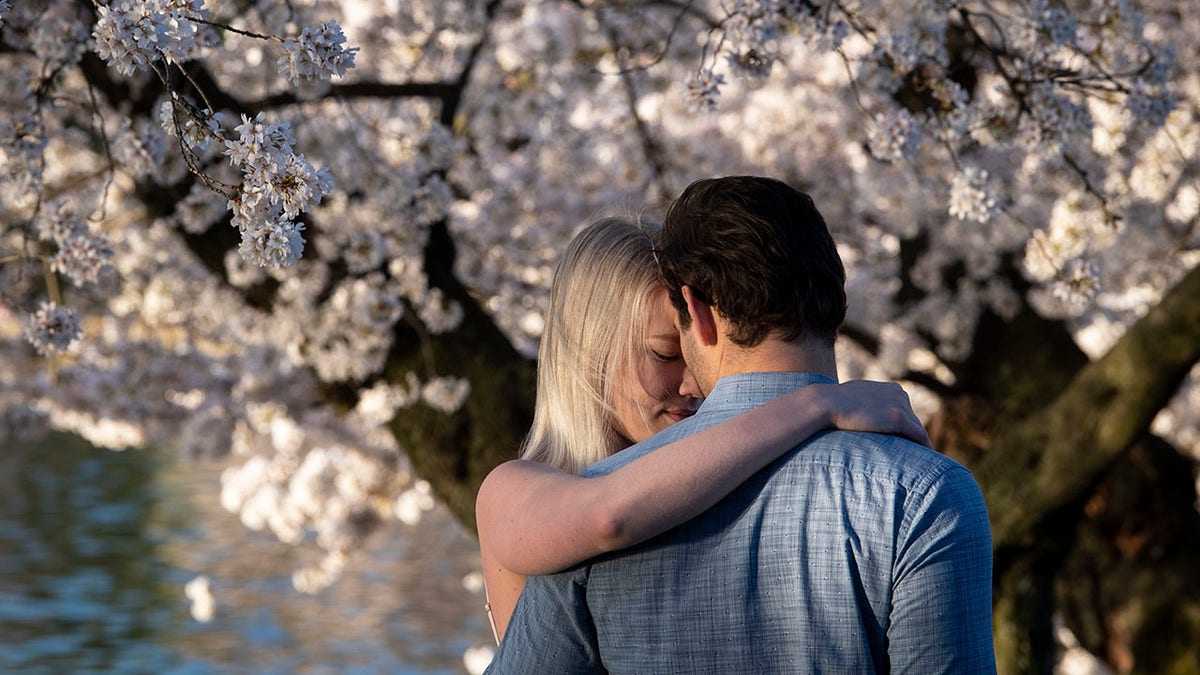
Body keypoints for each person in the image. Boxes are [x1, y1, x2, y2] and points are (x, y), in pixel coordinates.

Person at [485, 177, 996, 673]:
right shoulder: (923, 494)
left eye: (680, 344)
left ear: (698, 316)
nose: (690, 384)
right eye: (664, 352)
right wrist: (816, 403)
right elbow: (605, 516)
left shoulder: (587, 536)